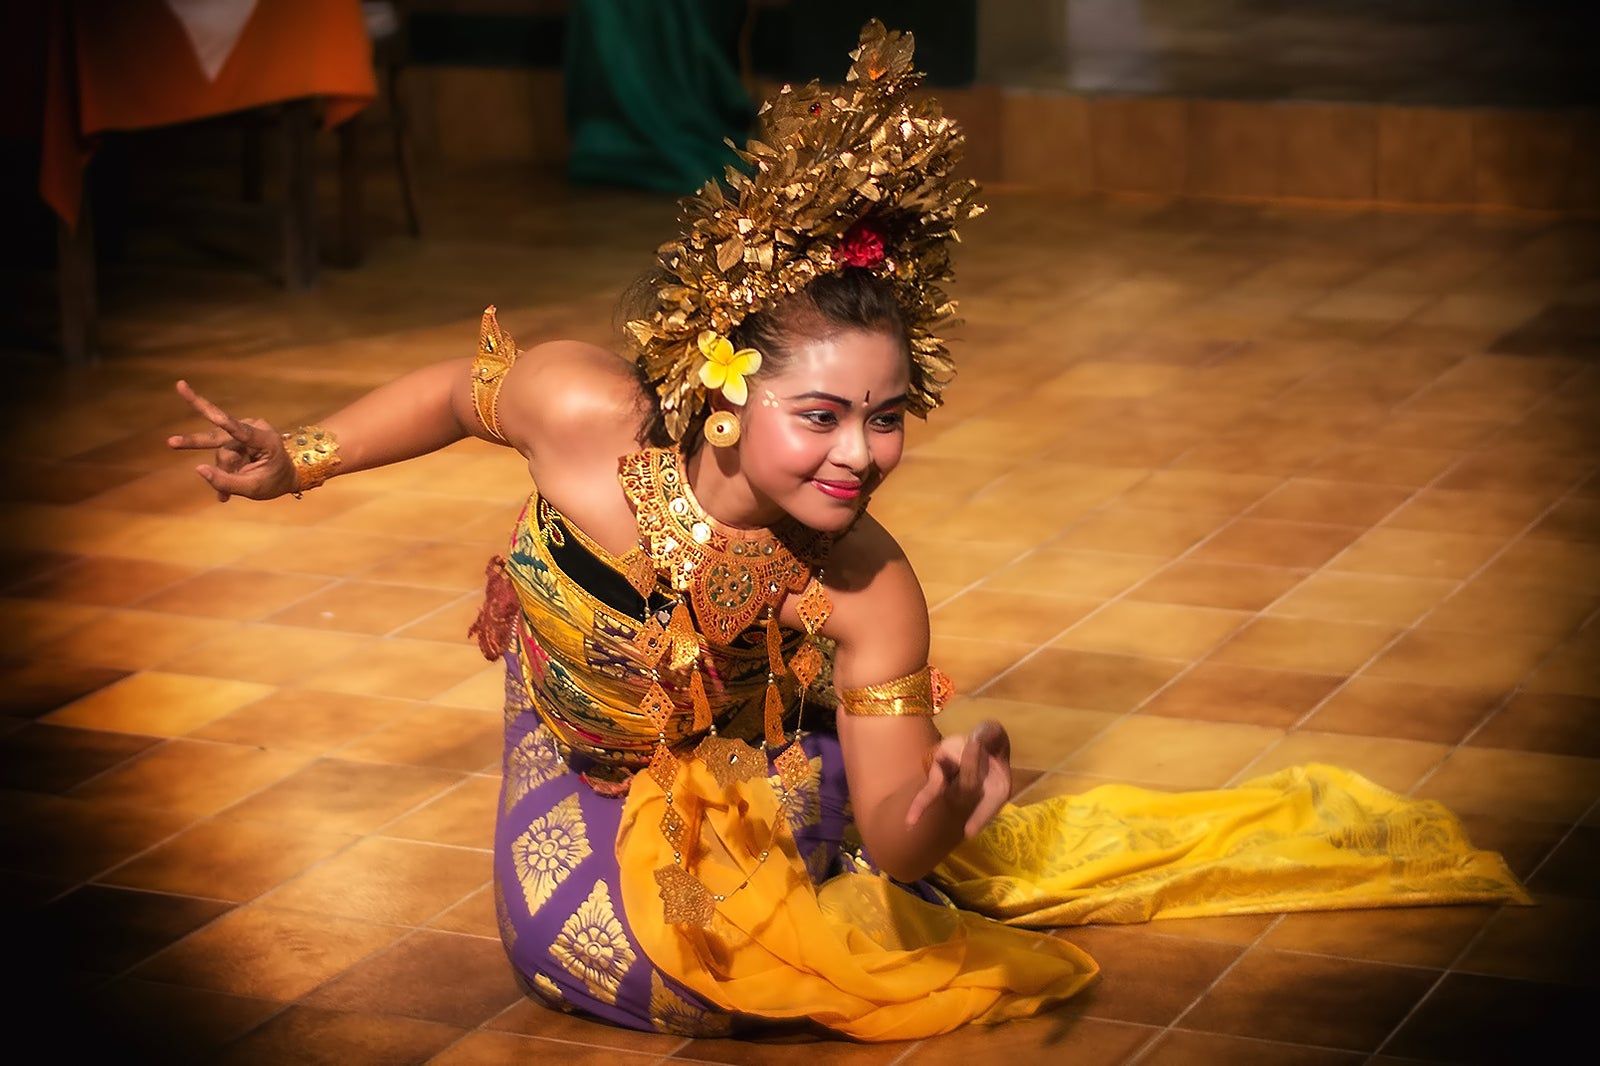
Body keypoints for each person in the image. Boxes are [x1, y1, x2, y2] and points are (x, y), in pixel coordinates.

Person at [167, 22, 1529, 1043]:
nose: (862, 455)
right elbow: (457, 392)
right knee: (656, 975)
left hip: (750, 739)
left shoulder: (872, 589)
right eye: (822, 414)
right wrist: (297, 457)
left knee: (826, 914)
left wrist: (935, 817)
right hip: (577, 756)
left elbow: (892, 818)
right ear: (719, 384)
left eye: (886, 418)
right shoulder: (590, 418)